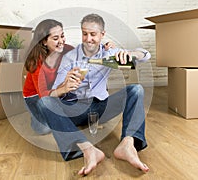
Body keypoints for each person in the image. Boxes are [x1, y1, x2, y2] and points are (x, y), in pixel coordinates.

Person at [38, 13, 151, 175]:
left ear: (102, 35)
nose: (88, 39)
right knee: (44, 102)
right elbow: (53, 94)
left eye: (93, 34)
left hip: (101, 108)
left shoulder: (109, 54)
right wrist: (64, 87)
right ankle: (87, 149)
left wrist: (131, 55)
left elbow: (146, 55)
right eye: (85, 34)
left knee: (136, 90)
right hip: (74, 109)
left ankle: (127, 144)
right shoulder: (69, 57)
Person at [23, 19, 115, 135]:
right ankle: (37, 117)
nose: (61, 41)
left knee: (66, 114)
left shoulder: (67, 49)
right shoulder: (37, 63)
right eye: (56, 38)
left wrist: (105, 47)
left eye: (62, 36)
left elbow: (85, 53)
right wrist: (63, 89)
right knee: (45, 128)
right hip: (37, 96)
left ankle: (62, 118)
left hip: (58, 92)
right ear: (44, 41)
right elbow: (44, 96)